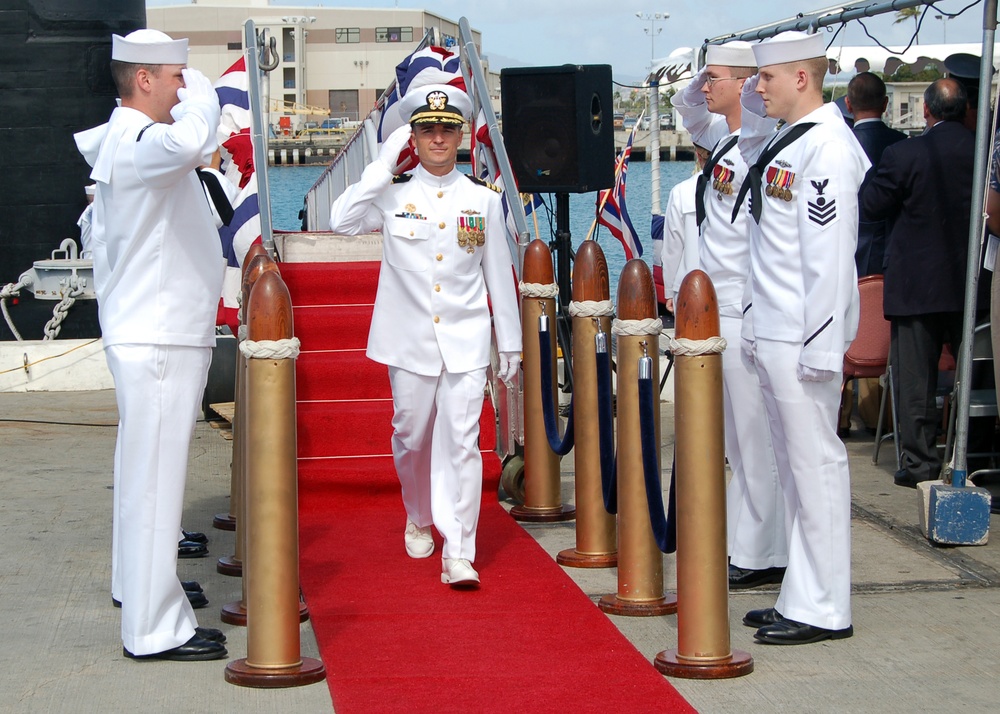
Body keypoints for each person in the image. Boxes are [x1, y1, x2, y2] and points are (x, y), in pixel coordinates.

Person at [329, 83, 521, 588]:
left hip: (465, 338)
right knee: (410, 435)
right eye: (427, 129)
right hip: (407, 339)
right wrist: (384, 161)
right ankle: (418, 514)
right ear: (413, 136)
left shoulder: (482, 199)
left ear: (460, 135)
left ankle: (458, 551)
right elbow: (341, 220)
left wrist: (512, 343)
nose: (438, 138)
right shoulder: (391, 197)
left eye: (447, 129)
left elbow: (498, 273)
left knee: (462, 442)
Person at [74, 29, 227, 661]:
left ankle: (136, 589)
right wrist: (209, 95)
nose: (181, 88)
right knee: (157, 481)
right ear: (144, 79)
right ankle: (154, 628)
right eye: (174, 78)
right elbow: (193, 138)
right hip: (159, 335)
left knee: (142, 476)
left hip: (148, 329)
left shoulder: (126, 145)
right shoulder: (142, 143)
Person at [736, 31, 868, 645]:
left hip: (802, 338)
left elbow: (828, 258)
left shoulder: (828, 150)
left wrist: (822, 347)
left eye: (766, 77)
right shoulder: (795, 138)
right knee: (794, 471)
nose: (756, 88)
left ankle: (824, 607)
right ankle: (801, 592)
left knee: (816, 467)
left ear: (801, 79)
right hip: (775, 330)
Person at [671, 41, 786, 592]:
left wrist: (735, 83)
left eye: (715, 78)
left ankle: (764, 549)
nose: (705, 86)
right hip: (718, 306)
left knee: (753, 437)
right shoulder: (729, 142)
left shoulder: (758, 149)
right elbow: (688, 112)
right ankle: (748, 538)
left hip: (743, 304)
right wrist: (704, 81)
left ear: (743, 85)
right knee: (736, 440)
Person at [862, 79, 975, 489]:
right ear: (964, 111)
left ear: (925, 111)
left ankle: (920, 463)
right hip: (970, 282)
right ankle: (971, 451)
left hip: (916, 283)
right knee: (972, 374)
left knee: (915, 381)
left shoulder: (904, 154)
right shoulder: (977, 152)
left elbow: (870, 205)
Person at [838, 72, 907, 437]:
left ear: (849, 105)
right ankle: (879, 415)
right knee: (880, 339)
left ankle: (841, 415)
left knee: (843, 339)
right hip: (888, 255)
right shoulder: (902, 144)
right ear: (884, 104)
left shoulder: (838, 143)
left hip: (847, 252)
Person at [659, 143, 708, 313]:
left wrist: (669, 291)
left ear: (698, 155)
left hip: (688, 287)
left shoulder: (681, 191)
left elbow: (672, 249)